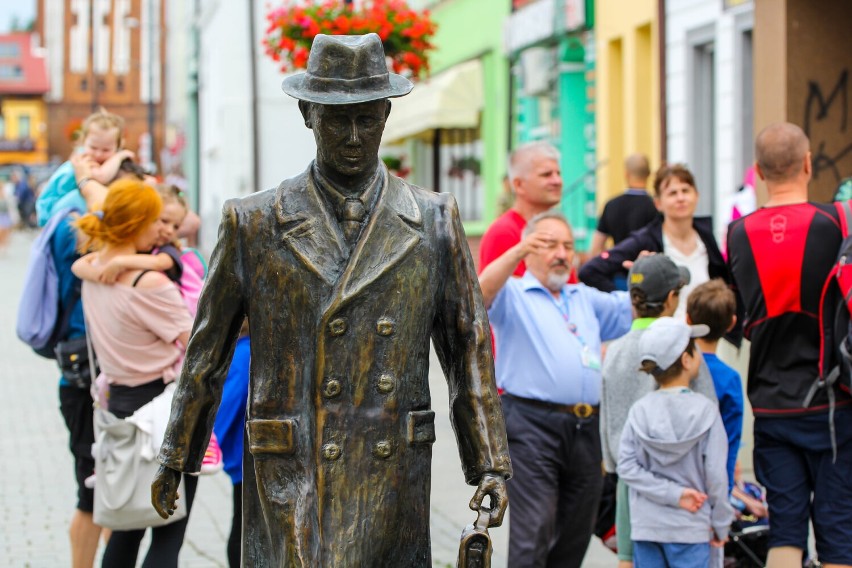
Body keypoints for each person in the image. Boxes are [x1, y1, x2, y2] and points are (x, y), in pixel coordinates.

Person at [151, 34, 511, 567]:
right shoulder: (253, 222)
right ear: (306, 114)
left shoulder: (433, 219)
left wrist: (489, 464)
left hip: (389, 470)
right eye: (336, 119)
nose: (353, 136)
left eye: (367, 118)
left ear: (386, 114)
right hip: (293, 467)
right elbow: (208, 351)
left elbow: (467, 349)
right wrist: (175, 454)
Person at [727, 122, 852, 568]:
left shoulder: (737, 234)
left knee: (785, 530)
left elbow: (740, 317)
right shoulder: (837, 222)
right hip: (833, 404)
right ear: (807, 163)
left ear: (758, 172)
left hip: (770, 403)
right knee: (838, 532)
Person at [479, 210, 632, 568]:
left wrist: (643, 275)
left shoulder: (583, 297)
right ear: (529, 251)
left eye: (567, 245)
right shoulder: (513, 293)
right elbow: (479, 291)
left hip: (585, 428)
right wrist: (515, 253)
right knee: (534, 528)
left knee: (577, 529)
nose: (561, 253)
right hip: (531, 425)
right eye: (548, 245)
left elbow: (633, 308)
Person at [72, 179, 197, 567]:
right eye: (153, 221)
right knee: (167, 533)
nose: (160, 231)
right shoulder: (151, 283)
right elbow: (196, 346)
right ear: (135, 224)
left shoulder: (93, 270)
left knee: (126, 532)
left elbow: (84, 263)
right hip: (162, 412)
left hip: (120, 407)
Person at [599, 254, 718, 568]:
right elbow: (709, 414)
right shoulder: (683, 348)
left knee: (630, 561)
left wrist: (615, 466)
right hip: (685, 488)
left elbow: (607, 425)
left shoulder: (615, 351)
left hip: (631, 486)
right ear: (671, 298)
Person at [618, 317, 734, 567]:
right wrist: (721, 525)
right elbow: (716, 475)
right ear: (686, 360)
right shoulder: (707, 412)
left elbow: (626, 467)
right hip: (691, 528)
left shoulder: (639, 411)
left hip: (647, 527)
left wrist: (673, 494)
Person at [580, 163, 729, 320]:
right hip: (664, 337)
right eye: (672, 193)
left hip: (707, 337)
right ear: (658, 203)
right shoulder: (645, 240)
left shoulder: (708, 237)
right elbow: (590, 271)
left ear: (696, 195)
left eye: (685, 190)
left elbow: (727, 285)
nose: (680, 198)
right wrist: (633, 299)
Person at [686, 278, 743, 493]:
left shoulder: (675, 368)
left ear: (688, 319)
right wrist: (724, 493)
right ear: (732, 323)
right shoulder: (729, 379)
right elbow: (731, 439)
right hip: (709, 485)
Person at [36, 107, 134, 226]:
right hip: (53, 211)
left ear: (117, 146)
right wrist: (119, 156)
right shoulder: (84, 160)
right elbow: (101, 176)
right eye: (93, 148)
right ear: (83, 142)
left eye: (106, 150)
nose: (98, 154)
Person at [479, 141, 563, 276]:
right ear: (518, 185)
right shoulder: (503, 233)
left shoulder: (556, 229)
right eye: (547, 175)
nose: (557, 181)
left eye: (558, 174)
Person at [212, 320, 251, 568]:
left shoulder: (238, 351)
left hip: (240, 454)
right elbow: (230, 405)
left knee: (241, 520)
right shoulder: (246, 353)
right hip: (245, 455)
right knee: (244, 523)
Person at [589, 153, 659, 259]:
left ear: (626, 174)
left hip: (618, 269)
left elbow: (596, 248)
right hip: (648, 270)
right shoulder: (656, 206)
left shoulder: (611, 205)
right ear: (649, 174)